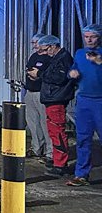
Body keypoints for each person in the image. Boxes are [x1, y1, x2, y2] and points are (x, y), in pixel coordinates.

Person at [67, 24, 102, 186]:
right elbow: (74, 68)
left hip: (100, 100)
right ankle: (81, 174)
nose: (89, 40)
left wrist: (98, 61)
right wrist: (72, 73)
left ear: (98, 37)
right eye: (86, 36)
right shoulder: (80, 53)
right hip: (84, 101)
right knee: (82, 138)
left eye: (92, 36)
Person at [37, 35, 73, 177]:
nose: (45, 53)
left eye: (45, 50)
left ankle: (61, 164)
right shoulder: (58, 58)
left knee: (57, 132)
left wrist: (39, 73)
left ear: (52, 46)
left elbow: (59, 78)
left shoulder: (63, 59)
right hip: (53, 98)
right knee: (54, 131)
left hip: (56, 99)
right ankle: (58, 161)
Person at [23, 33, 51, 163]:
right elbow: (29, 68)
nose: (34, 46)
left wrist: (38, 75)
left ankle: (50, 152)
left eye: (36, 43)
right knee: (33, 122)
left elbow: (48, 74)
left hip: (42, 93)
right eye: (33, 43)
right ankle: (36, 148)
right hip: (30, 91)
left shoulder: (49, 58)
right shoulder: (34, 56)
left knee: (45, 122)